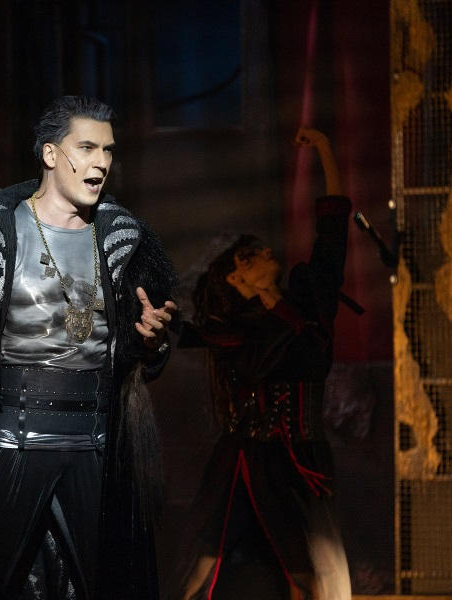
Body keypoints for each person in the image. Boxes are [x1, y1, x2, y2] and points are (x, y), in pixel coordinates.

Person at [0, 95, 179, 599]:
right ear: (51, 153)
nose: (101, 162)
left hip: (97, 441)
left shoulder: (125, 239)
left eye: (108, 149)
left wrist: (151, 343)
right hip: (9, 437)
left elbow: (139, 358)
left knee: (99, 584)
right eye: (87, 147)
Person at [178, 127, 352, 600]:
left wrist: (325, 149)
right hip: (249, 458)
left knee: (313, 576)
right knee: (202, 565)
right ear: (237, 278)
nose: (267, 252)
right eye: (250, 256)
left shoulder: (308, 299)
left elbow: (333, 231)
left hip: (304, 459)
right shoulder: (240, 333)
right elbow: (189, 335)